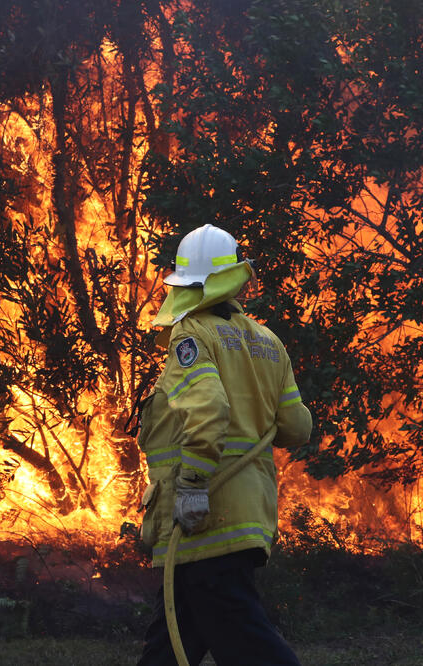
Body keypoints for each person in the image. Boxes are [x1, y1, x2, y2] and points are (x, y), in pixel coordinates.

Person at [135, 224, 312, 666]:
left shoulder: (193, 334)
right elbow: (296, 427)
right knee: (170, 641)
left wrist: (193, 484)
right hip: (245, 516)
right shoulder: (268, 342)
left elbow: (208, 409)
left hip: (206, 516)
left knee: (244, 638)